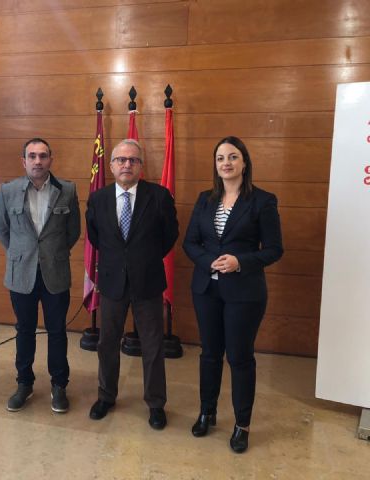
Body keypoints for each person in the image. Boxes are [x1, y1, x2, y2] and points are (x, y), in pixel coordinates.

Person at [182, 136, 283, 453]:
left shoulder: (263, 201)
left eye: (233, 157)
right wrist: (205, 260)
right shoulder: (204, 199)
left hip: (244, 292)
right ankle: (207, 412)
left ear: (244, 163)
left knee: (239, 358)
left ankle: (242, 424)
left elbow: (275, 250)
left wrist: (242, 261)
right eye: (220, 158)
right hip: (206, 288)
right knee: (210, 353)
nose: (226, 163)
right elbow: (191, 243)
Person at [85, 138, 178, 429]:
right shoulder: (98, 198)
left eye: (133, 160)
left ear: (141, 165)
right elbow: (95, 237)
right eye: (121, 160)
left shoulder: (160, 196)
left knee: (152, 345)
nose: (127, 164)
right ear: (111, 165)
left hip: (148, 280)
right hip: (112, 281)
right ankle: (106, 396)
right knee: (107, 343)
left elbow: (169, 236)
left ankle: (155, 403)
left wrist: (142, 259)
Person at [0, 137, 81, 413]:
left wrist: (50, 253)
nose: (37, 161)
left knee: (57, 331)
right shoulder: (8, 191)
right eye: (32, 156)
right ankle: (24, 383)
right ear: (24, 161)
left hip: (55, 272)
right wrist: (23, 253)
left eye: (43, 156)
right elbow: (2, 230)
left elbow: (73, 232)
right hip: (21, 273)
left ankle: (59, 385)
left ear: (50, 160)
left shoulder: (66, 189)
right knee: (24, 330)